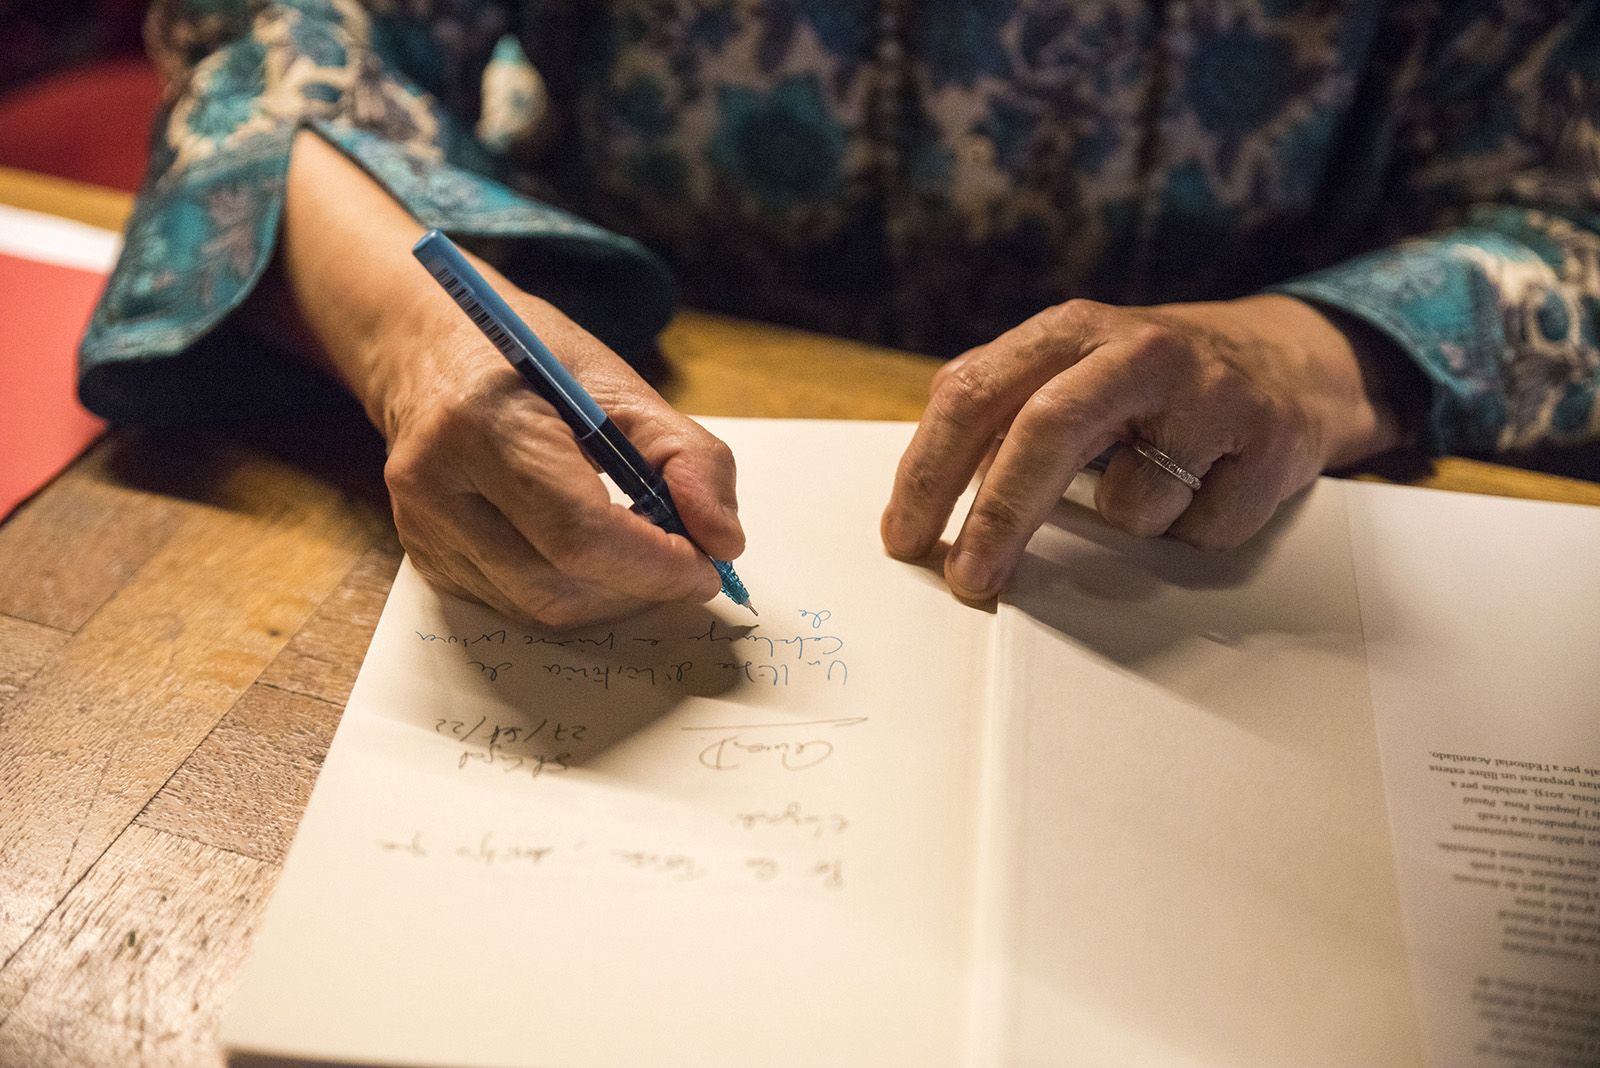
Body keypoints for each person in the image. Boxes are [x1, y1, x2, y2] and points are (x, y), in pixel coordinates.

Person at [82, 1, 1600, 626]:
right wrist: (423, 343)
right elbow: (278, 37)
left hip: (1231, 482)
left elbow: (1569, 212)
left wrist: (1304, 358)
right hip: (629, 370)